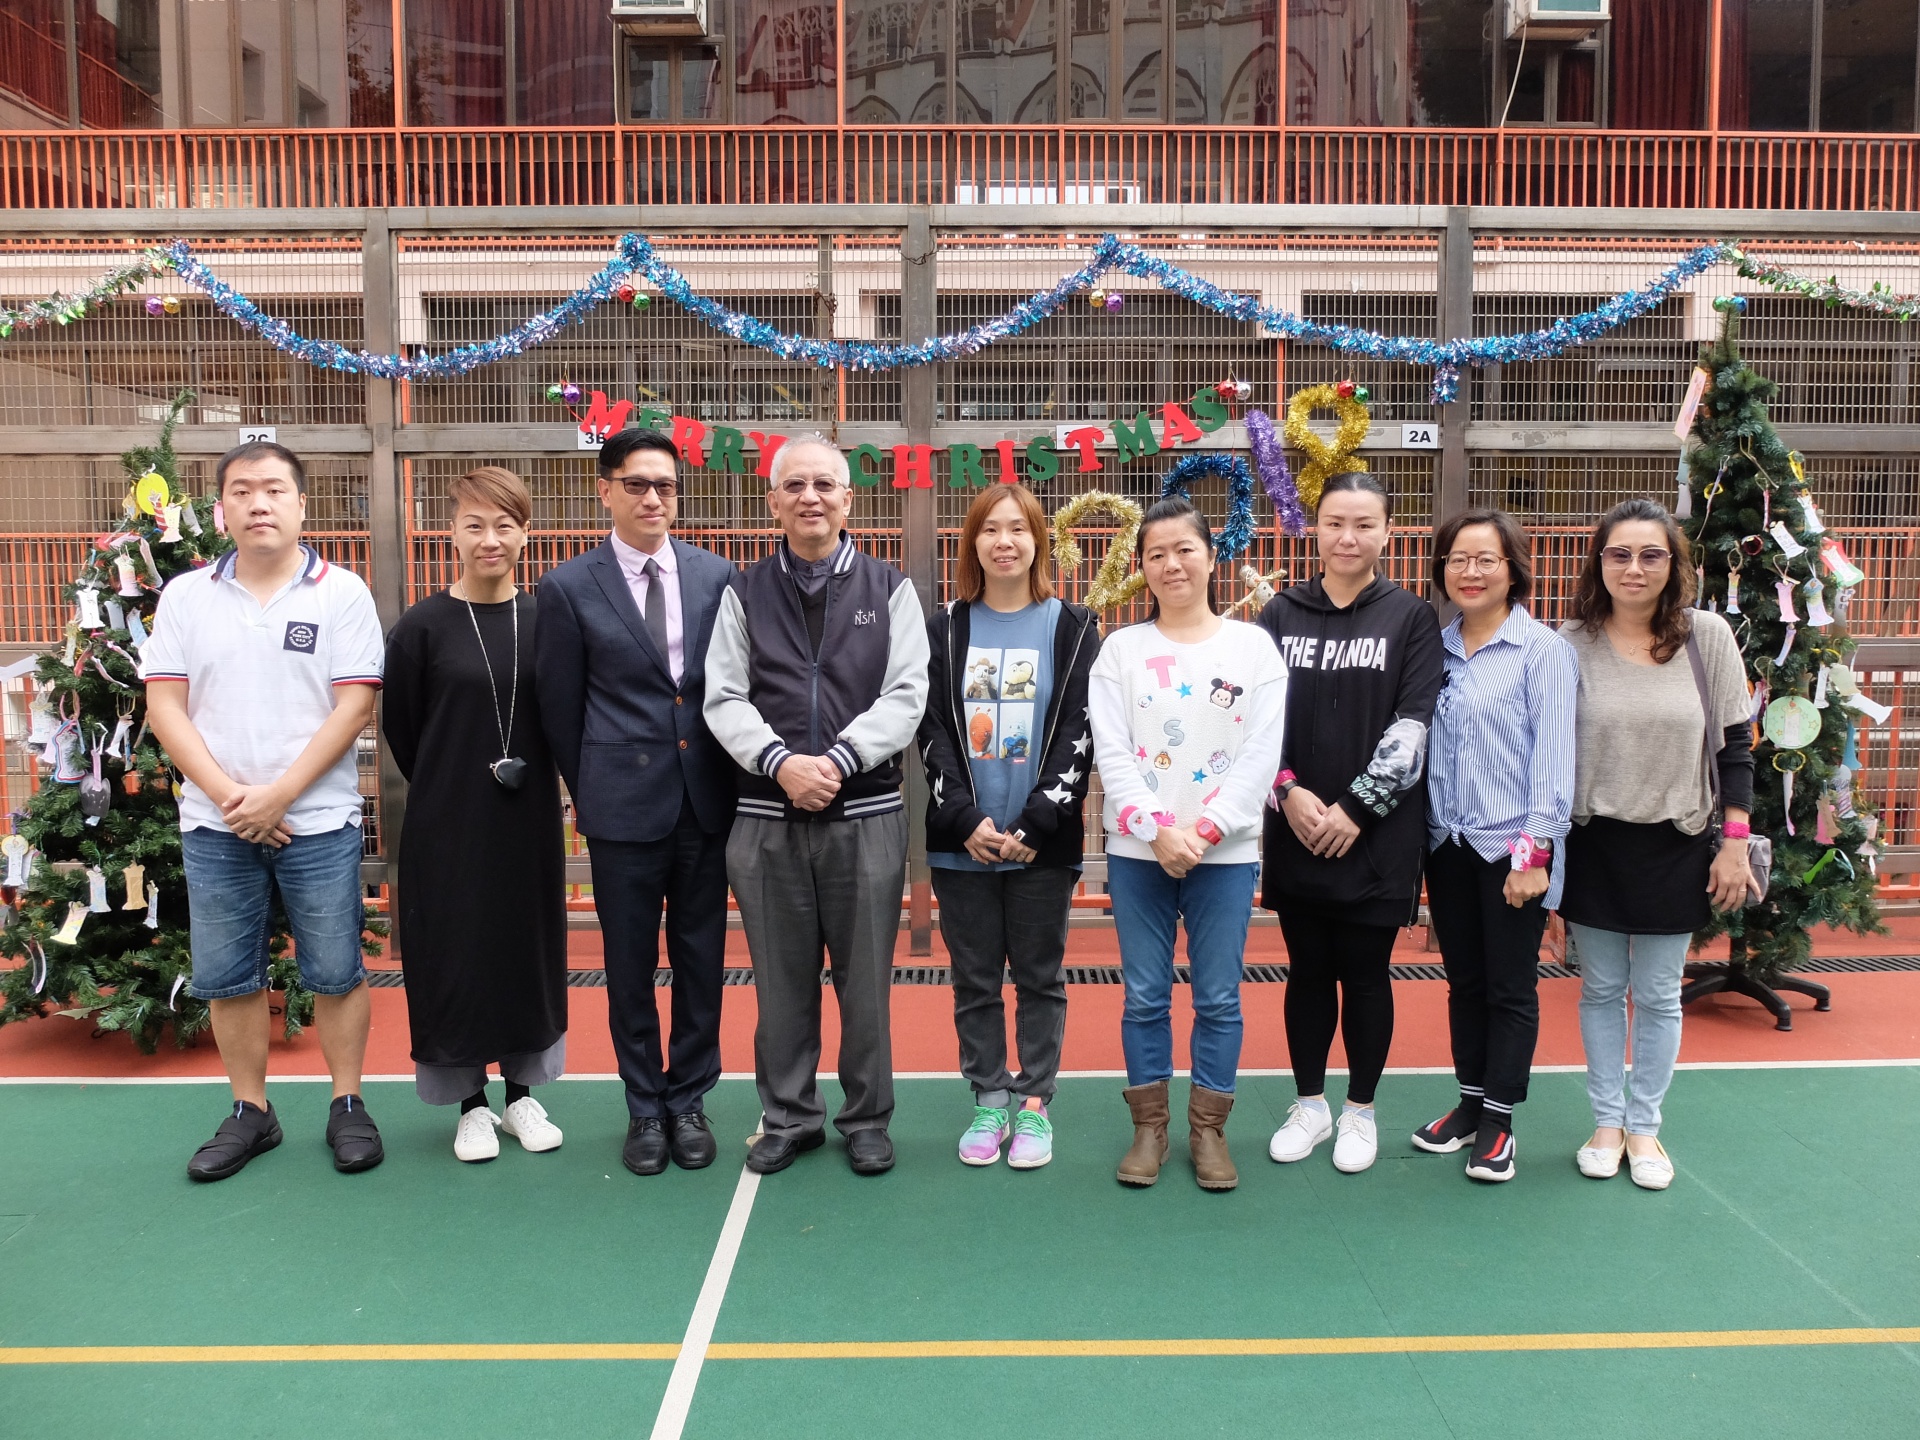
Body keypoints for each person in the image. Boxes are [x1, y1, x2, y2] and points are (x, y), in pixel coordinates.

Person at [142, 441, 386, 1181]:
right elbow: (165, 707)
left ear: (301, 504)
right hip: (215, 825)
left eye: (275, 490)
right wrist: (231, 797)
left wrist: (279, 795)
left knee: (336, 969)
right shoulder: (186, 596)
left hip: (320, 820)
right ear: (221, 508)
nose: (259, 504)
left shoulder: (342, 592)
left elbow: (355, 706)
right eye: (242, 491)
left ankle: (347, 1103)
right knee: (227, 974)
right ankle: (251, 1110)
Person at [705, 434, 930, 1177]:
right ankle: (790, 1117)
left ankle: (867, 1119)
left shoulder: (890, 589)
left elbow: (907, 694)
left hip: (864, 817)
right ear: (773, 501)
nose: (811, 497)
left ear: (848, 499)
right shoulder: (742, 591)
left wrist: (835, 761)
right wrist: (780, 763)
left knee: (865, 988)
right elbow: (724, 696)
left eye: (825, 484)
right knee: (779, 985)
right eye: (795, 485)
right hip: (766, 820)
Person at [536, 429, 739, 1177]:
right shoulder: (568, 586)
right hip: (621, 805)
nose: (653, 498)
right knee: (628, 965)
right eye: (637, 484)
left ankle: (689, 1099)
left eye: (666, 486)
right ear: (606, 491)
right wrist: (593, 787)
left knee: (701, 958)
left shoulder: (717, 575)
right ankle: (644, 1106)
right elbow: (560, 707)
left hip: (705, 799)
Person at [1090, 495, 1287, 1191]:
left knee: (1219, 998)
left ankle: (1209, 1131)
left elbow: (1261, 754)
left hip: (1222, 855)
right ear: (1141, 567)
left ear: (1211, 555)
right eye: (1156, 554)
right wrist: (1156, 829)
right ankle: (1149, 1129)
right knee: (1144, 994)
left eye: (1184, 549)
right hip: (1138, 853)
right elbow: (1112, 753)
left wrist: (1202, 832)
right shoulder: (1121, 651)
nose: (1171, 564)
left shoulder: (1253, 649)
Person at [1560, 498, 1754, 1192]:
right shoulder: (1570, 641)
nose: (1634, 568)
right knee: (1601, 990)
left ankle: (1645, 1126)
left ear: (1674, 564)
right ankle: (1606, 1123)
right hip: (1593, 841)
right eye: (1619, 554)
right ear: (1599, 562)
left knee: (1660, 995)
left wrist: (1735, 842)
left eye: (1651, 554)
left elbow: (1735, 748)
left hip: (1677, 842)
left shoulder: (1708, 637)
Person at [1256, 471, 1445, 1176]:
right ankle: (1309, 1105)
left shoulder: (1411, 617)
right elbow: (1253, 722)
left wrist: (1358, 808)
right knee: (1307, 972)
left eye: (1364, 524)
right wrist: (1287, 792)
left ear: (1387, 533)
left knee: (1366, 976)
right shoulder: (1279, 614)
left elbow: (1414, 723)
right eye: (1336, 522)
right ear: (1316, 528)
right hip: (1297, 828)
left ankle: (1360, 1110)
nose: (1348, 536)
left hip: (1377, 838)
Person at [382, 466, 567, 1163]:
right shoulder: (421, 629)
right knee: (455, 955)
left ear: (526, 534)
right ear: (451, 534)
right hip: (448, 824)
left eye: (505, 525)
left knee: (526, 950)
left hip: (528, 824)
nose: (490, 539)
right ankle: (471, 1106)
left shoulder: (549, 620)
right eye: (474, 525)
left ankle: (521, 1097)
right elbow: (404, 731)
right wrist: (452, 782)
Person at [919, 484, 1101, 1170]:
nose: (1004, 542)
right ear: (972, 543)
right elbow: (930, 728)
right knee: (974, 979)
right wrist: (964, 818)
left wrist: (1036, 822)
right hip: (962, 842)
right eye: (990, 529)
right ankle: (989, 1097)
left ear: (1037, 542)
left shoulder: (1074, 627)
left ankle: (1034, 1104)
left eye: (1018, 529)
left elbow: (1080, 729)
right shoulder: (944, 628)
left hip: (1040, 845)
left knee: (1039, 977)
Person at [1412, 508, 1577, 1184]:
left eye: (1486, 559)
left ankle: (1500, 1122)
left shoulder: (1542, 652)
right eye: (1458, 559)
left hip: (1512, 850)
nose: (1470, 571)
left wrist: (1533, 855)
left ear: (1514, 570)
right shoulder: (1435, 649)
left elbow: (1555, 762)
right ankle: (1470, 1103)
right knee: (1465, 983)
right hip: (1447, 844)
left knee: (1509, 987)